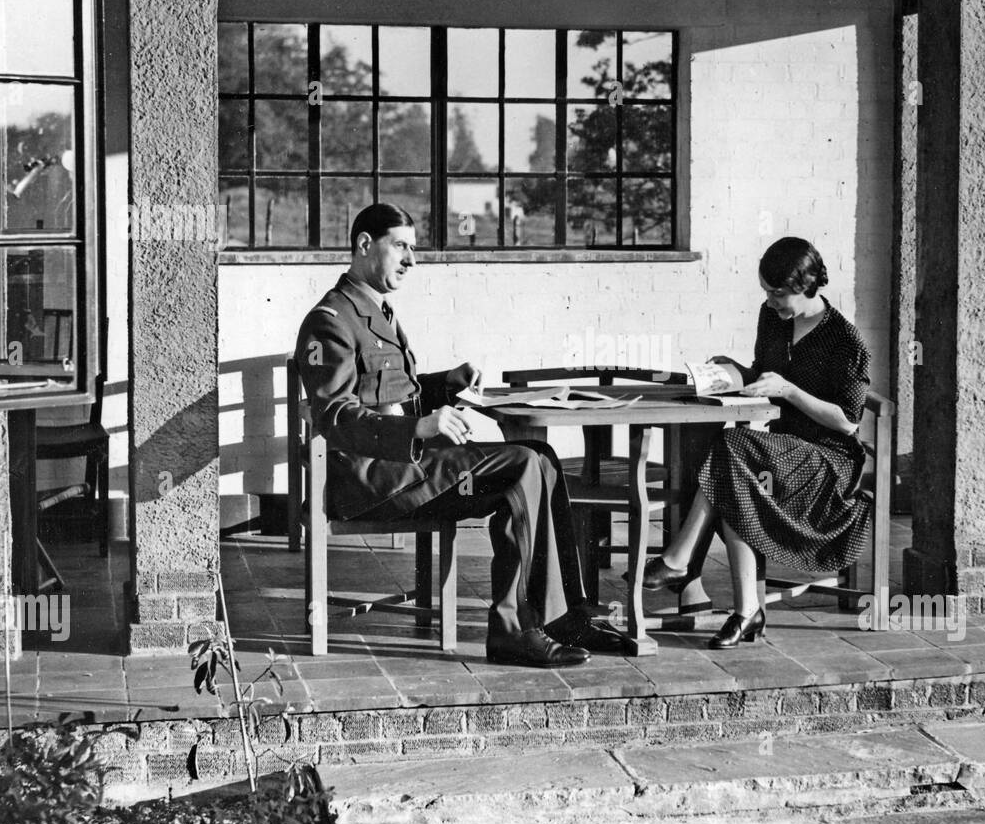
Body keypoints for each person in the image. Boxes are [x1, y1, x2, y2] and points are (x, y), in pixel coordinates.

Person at [295, 202, 626, 667]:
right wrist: (419, 426)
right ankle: (514, 629)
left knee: (542, 456)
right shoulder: (330, 319)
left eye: (414, 248)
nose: (412, 260)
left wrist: (444, 383)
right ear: (365, 245)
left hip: (408, 465)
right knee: (522, 467)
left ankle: (564, 616)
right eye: (402, 247)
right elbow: (335, 417)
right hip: (369, 480)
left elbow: (390, 392)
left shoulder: (376, 310)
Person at [642, 237, 873, 649]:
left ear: (807, 285)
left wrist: (789, 391)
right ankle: (746, 611)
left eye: (778, 293)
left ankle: (681, 560)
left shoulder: (844, 339)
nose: (770, 301)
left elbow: (848, 421)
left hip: (828, 462)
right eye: (766, 291)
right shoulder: (773, 320)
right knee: (732, 467)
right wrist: (732, 372)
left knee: (732, 450)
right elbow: (763, 375)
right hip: (782, 449)